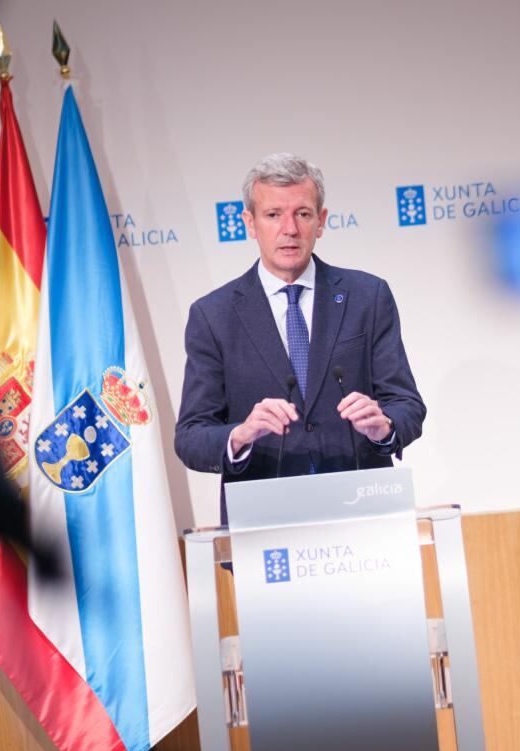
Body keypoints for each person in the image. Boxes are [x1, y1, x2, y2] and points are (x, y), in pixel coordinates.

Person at [174, 153, 425, 518]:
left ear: (320, 221)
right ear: (250, 222)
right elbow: (191, 436)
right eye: (273, 215)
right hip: (265, 520)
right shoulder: (213, 315)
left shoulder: (367, 297)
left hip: (363, 516)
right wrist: (241, 434)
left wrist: (383, 427)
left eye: (302, 214)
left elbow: (408, 405)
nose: (289, 228)